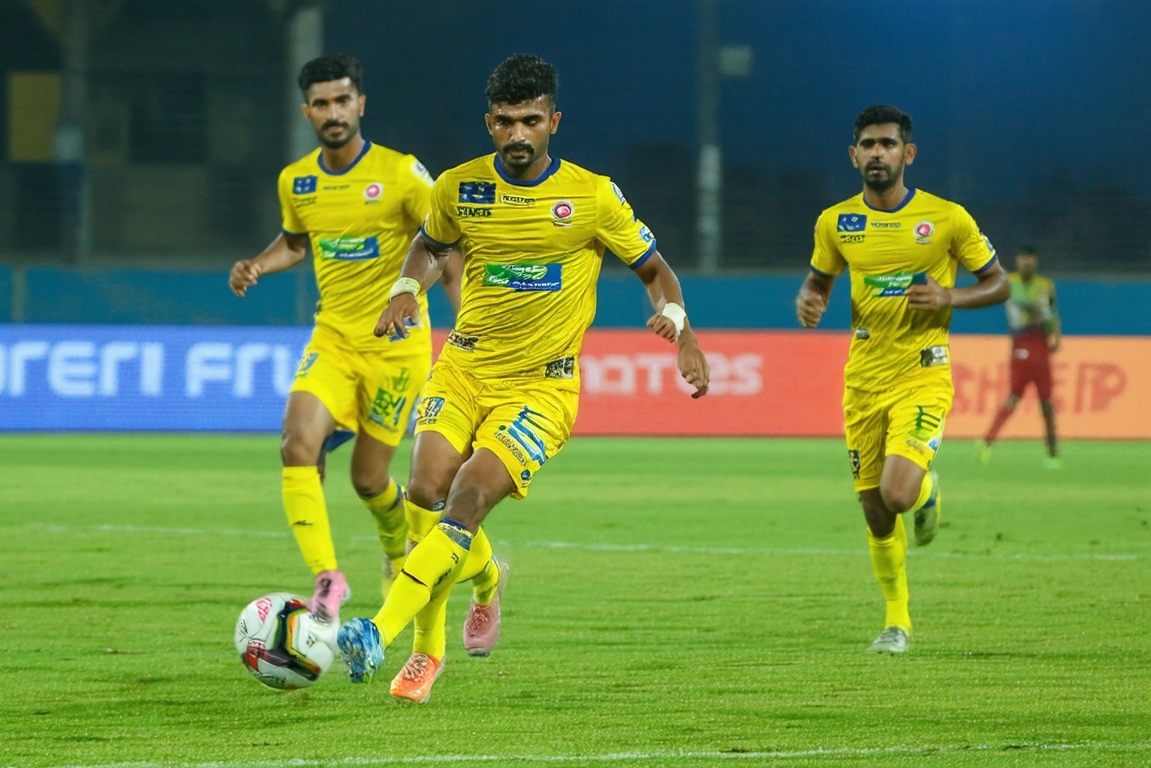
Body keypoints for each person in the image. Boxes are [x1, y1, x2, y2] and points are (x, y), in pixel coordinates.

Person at [336, 53, 710, 703]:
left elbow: (655, 270)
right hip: (464, 367)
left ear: (553, 122)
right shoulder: (459, 187)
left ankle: (389, 636)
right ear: (489, 123)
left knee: (468, 498)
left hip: (541, 387)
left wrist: (681, 327)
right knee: (424, 493)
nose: (517, 134)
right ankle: (483, 585)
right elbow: (431, 245)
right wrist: (405, 288)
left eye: (530, 121)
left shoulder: (593, 196)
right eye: (505, 122)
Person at [228, 54, 461, 623]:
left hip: (395, 347)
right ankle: (328, 580)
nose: (333, 112)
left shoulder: (402, 173)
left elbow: (446, 246)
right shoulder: (297, 180)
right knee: (296, 445)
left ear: (360, 104)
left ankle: (394, 552)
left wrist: (461, 321)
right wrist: (258, 264)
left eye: (342, 100)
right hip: (332, 339)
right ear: (306, 111)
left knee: (368, 479)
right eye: (321, 104)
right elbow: (295, 242)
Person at [795, 104, 1009, 655]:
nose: (877, 153)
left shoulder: (947, 219)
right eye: (868, 144)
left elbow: (999, 284)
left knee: (897, 493)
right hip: (863, 379)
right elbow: (820, 279)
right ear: (853, 155)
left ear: (907, 153)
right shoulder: (835, 222)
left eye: (888, 144)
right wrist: (811, 298)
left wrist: (949, 296)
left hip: (922, 372)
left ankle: (924, 488)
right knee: (874, 510)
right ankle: (896, 622)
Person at [977, 246, 1062, 468]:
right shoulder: (1009, 283)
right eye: (1023, 259)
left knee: (1047, 403)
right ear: (1018, 261)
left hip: (1041, 343)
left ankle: (1053, 452)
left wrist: (1056, 336)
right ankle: (987, 442)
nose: (1027, 263)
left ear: (1035, 261)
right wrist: (1037, 311)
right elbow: (1023, 309)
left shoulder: (1045, 286)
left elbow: (1053, 313)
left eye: (1030, 259)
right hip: (1021, 343)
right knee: (1013, 397)